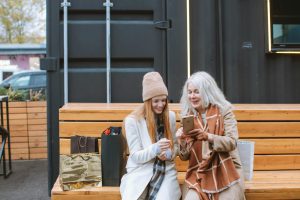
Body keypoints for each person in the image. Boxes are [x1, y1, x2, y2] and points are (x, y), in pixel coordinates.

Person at [177, 71, 245, 200]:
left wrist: (208, 137)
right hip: (198, 172)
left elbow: (232, 142)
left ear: (207, 92)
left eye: (197, 92)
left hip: (226, 170)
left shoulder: (224, 111)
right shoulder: (188, 116)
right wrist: (182, 141)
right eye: (190, 92)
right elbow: (184, 157)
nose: (192, 96)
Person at [120, 72, 181, 200]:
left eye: (163, 100)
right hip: (140, 170)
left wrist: (169, 154)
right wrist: (155, 149)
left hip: (165, 170)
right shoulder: (133, 121)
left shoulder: (170, 117)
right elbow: (135, 156)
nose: (161, 105)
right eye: (156, 101)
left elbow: (175, 147)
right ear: (148, 101)